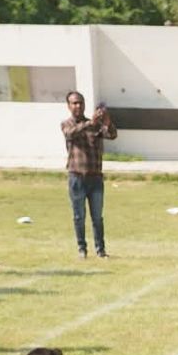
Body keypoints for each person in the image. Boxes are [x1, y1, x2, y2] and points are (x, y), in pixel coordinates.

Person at [61, 91, 117, 258]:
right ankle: (82, 249)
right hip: (77, 177)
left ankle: (101, 250)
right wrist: (89, 123)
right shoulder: (67, 124)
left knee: (97, 217)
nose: (78, 106)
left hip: (95, 178)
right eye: (74, 103)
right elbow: (70, 134)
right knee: (79, 216)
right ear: (69, 106)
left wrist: (107, 122)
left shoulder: (94, 125)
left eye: (81, 102)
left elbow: (112, 134)